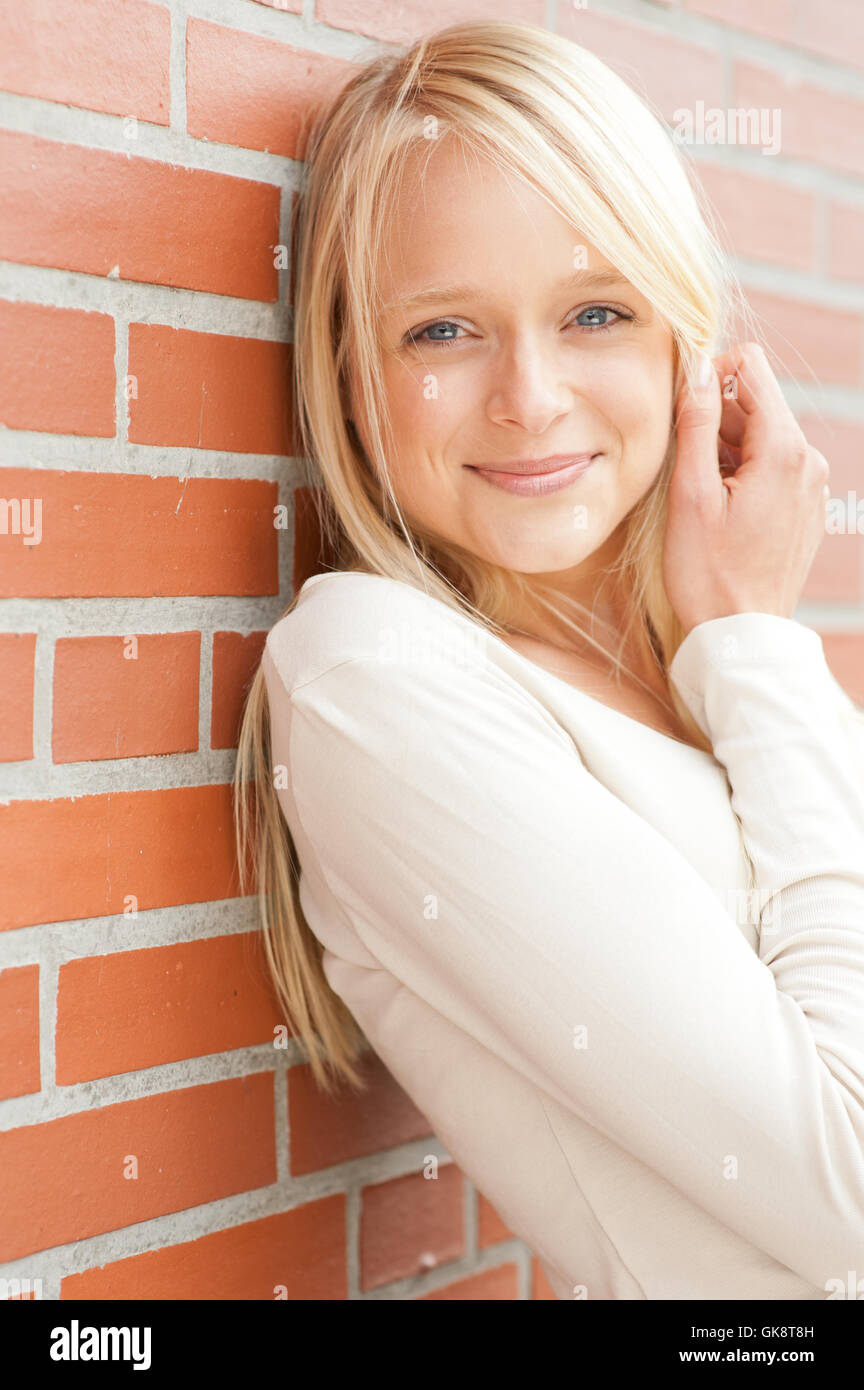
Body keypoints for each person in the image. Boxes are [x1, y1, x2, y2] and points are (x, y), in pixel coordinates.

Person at [233, 21, 864, 1300]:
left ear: (688, 350)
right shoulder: (374, 679)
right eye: (443, 333)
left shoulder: (703, 666)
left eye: (594, 312)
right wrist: (763, 648)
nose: (529, 395)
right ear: (353, 374)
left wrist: (737, 648)